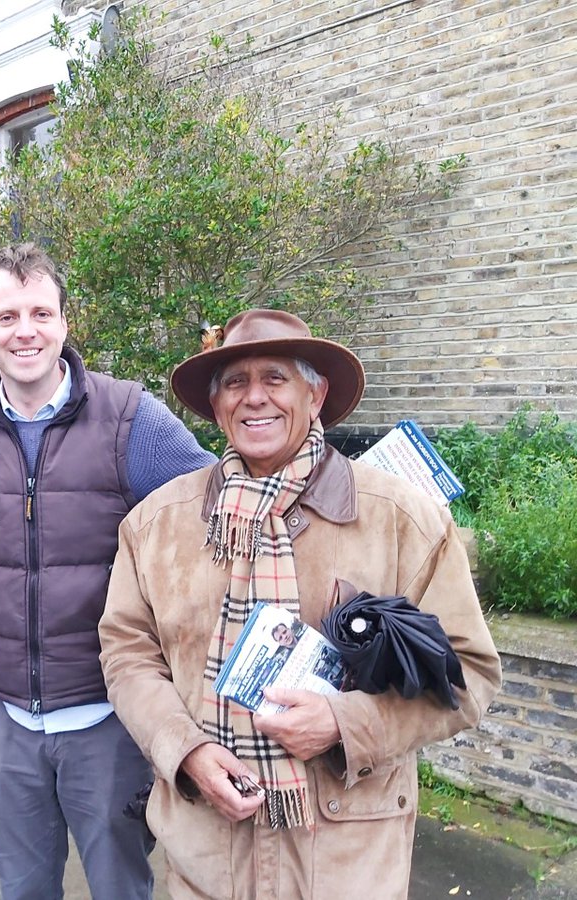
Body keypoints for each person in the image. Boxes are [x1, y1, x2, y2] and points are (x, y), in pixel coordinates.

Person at [98, 308, 503, 898]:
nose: (254, 398)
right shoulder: (155, 526)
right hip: (207, 861)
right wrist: (184, 751)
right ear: (216, 408)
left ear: (316, 396)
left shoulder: (402, 521)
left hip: (346, 863)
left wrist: (344, 723)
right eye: (235, 382)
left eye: (275, 378)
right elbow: (127, 656)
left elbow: (468, 674)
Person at [0, 243, 216, 900]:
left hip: (107, 721)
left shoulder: (131, 419)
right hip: (4, 720)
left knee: (122, 888)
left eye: (41, 311)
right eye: (6, 316)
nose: (26, 330)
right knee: (23, 889)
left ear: (65, 322)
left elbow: (214, 515)